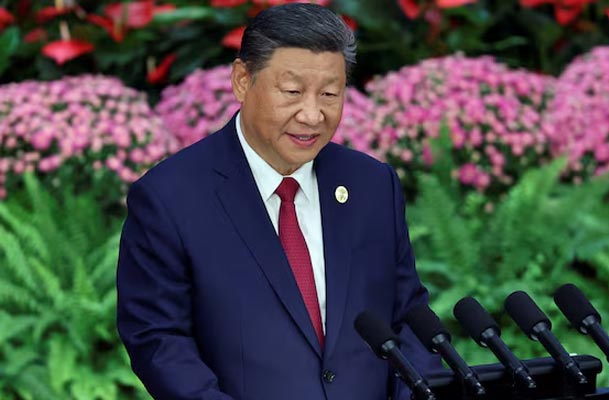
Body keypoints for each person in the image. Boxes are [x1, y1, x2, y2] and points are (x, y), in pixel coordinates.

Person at [116, 3, 441, 399]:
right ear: (241, 80)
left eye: (329, 94)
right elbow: (159, 342)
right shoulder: (170, 197)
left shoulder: (372, 185)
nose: (312, 114)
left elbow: (410, 317)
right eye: (292, 92)